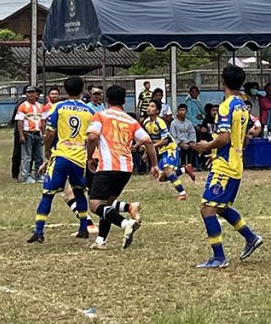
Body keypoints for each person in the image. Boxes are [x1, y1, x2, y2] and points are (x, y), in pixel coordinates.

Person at [194, 64, 265, 269]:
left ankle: (219, 257)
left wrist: (207, 146)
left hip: (225, 166)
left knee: (207, 209)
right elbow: (249, 132)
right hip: (234, 162)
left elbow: (224, 137)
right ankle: (251, 238)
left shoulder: (226, 106)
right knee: (220, 207)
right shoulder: (242, 105)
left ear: (222, 81)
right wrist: (216, 154)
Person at [85, 85, 158, 250]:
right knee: (107, 204)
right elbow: (148, 142)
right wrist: (154, 165)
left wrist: (89, 158)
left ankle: (126, 224)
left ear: (107, 100)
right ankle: (101, 240)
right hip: (125, 169)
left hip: (107, 166)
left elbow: (92, 137)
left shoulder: (101, 115)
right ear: (124, 101)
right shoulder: (131, 121)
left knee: (95, 205)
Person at [27, 76, 94, 244]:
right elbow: (93, 136)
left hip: (62, 155)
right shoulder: (89, 111)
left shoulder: (59, 107)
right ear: (82, 89)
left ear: (65, 89)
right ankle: (83, 228)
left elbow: (50, 132)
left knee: (48, 194)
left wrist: (47, 151)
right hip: (80, 157)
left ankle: (39, 231)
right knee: (79, 191)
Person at [144, 99, 192, 200]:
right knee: (160, 177)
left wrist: (152, 147)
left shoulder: (160, 122)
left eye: (152, 106)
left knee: (168, 171)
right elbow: (148, 141)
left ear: (157, 111)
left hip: (170, 148)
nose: (149, 108)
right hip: (162, 150)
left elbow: (166, 140)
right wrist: (146, 152)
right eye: (148, 106)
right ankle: (184, 169)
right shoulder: (146, 122)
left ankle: (182, 194)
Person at [16, 86, 45, 184]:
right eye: (29, 92)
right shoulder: (23, 106)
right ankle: (26, 176)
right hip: (27, 133)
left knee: (39, 156)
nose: (31, 94)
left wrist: (43, 134)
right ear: (26, 94)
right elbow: (19, 121)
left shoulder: (40, 106)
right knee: (27, 156)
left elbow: (43, 121)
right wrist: (21, 135)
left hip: (37, 133)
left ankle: (39, 174)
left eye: (33, 92)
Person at [171, 103, 199, 171]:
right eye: (180, 110)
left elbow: (192, 133)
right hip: (178, 143)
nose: (181, 112)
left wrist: (192, 142)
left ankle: (192, 165)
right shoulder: (173, 123)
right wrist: (180, 143)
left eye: (183, 110)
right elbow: (173, 136)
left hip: (188, 141)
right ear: (177, 111)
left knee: (194, 148)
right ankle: (182, 165)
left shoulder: (189, 122)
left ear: (186, 111)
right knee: (183, 149)